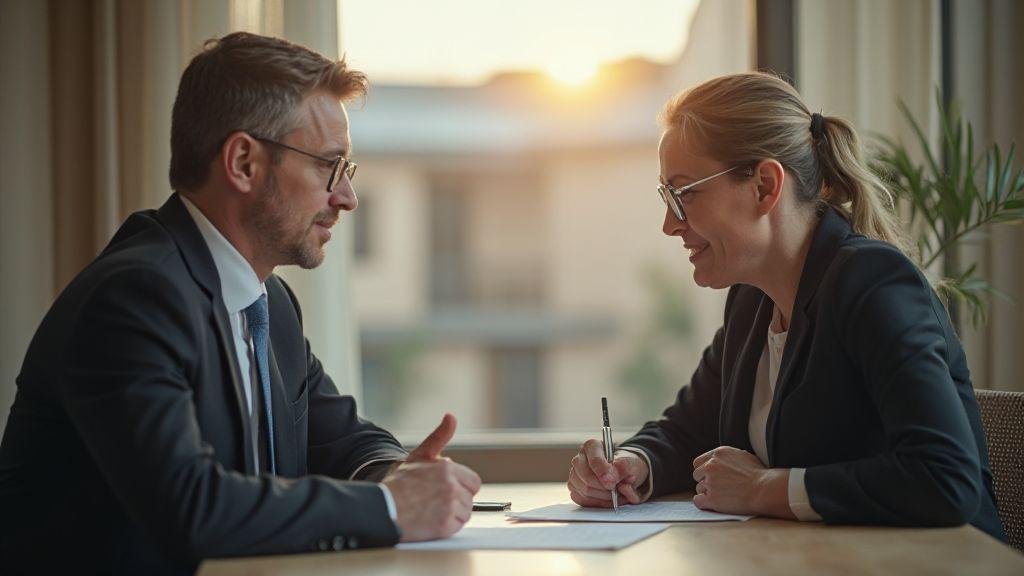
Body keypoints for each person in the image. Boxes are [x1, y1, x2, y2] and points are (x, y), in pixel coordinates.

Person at [0, 32, 481, 575]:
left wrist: (395, 472)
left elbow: (344, 438)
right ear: (243, 163)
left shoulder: (268, 304)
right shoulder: (133, 298)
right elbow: (191, 505)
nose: (346, 198)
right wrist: (393, 506)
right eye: (330, 166)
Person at [566, 72, 1006, 541]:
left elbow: (943, 479)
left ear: (764, 186)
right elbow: (686, 431)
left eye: (684, 193)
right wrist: (632, 465)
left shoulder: (873, 284)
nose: (669, 224)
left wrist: (761, 489)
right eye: (667, 196)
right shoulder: (752, 300)